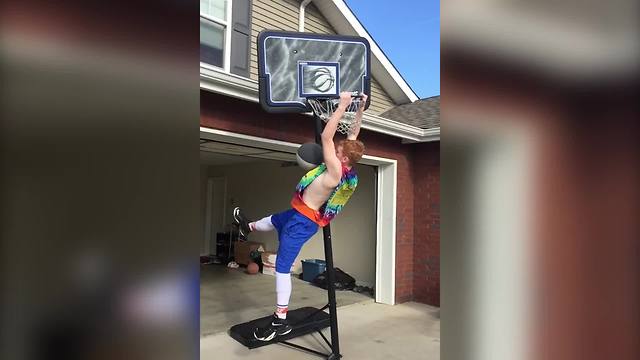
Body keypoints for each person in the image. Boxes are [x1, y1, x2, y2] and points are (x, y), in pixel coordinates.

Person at [233, 91, 367, 341]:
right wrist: (359, 109)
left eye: (338, 150)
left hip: (303, 223)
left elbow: (327, 135)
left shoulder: (336, 170)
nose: (335, 149)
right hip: (298, 214)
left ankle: (280, 320)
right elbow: (352, 134)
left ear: (344, 158)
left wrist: (343, 105)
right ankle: (247, 226)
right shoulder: (346, 161)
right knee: (273, 220)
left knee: (282, 269)